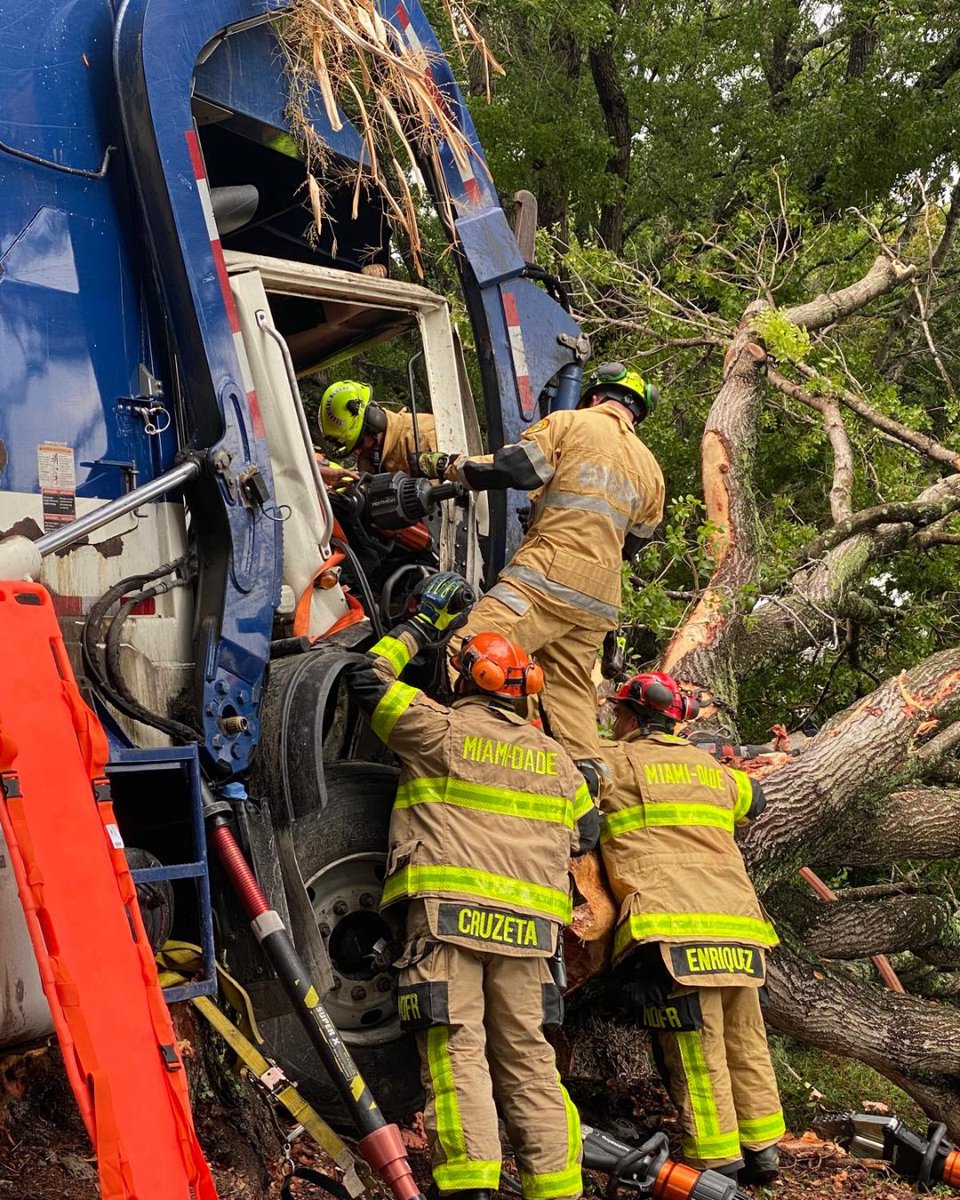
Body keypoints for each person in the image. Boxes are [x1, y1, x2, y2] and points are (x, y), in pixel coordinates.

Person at [343, 572, 598, 1200]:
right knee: (530, 1060)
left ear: (465, 681)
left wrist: (420, 625)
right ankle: (557, 1188)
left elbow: (364, 678)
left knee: (458, 1049)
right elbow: (586, 833)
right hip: (532, 934)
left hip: (450, 922)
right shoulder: (561, 765)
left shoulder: (440, 731)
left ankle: (471, 1186)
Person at [416, 364, 664, 778]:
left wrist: (451, 466)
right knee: (570, 703)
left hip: (546, 576)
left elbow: (514, 469)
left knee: (466, 649)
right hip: (600, 601)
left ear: (596, 397)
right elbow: (633, 543)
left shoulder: (571, 423)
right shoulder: (651, 470)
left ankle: (457, 764)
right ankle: (587, 800)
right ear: (635, 413)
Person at [598, 671, 784, 1186]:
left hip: (672, 925)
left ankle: (716, 1163)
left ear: (632, 716)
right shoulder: (713, 770)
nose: (614, 720)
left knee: (696, 1049)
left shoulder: (615, 761)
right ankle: (764, 1152)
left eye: (618, 712)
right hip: (739, 925)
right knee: (746, 1039)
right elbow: (757, 800)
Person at [318, 379, 437, 482]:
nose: (358, 453)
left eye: (359, 444)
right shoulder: (370, 456)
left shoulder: (425, 436)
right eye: (353, 449)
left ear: (375, 421)